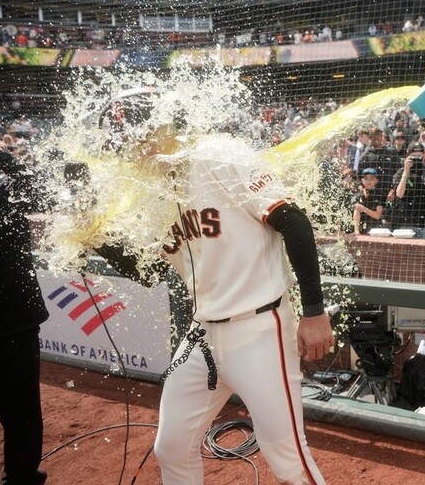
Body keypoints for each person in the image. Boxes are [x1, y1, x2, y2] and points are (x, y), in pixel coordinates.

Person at [91, 89, 334, 485]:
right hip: (201, 333)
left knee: (289, 460)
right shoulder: (152, 188)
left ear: (157, 127)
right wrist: (95, 239)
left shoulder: (218, 154)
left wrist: (314, 313)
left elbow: (294, 222)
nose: (127, 150)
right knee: (171, 447)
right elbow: (151, 272)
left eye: (129, 137)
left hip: (259, 328)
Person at [0, 139, 50, 485]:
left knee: (21, 416)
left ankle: (21, 477)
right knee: (22, 416)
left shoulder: (4, 175)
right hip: (14, 321)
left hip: (14, 320)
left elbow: (41, 196)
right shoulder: (4, 174)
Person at [391, 141, 425, 235]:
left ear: (423, 155)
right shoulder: (401, 172)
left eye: (419, 156)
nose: (416, 159)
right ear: (407, 156)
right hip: (405, 219)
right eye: (413, 156)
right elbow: (399, 194)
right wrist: (406, 172)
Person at [352, 167, 386, 235]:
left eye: (372, 178)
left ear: (376, 180)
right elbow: (356, 212)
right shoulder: (357, 195)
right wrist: (356, 231)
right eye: (366, 179)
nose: (369, 181)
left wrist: (363, 209)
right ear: (362, 181)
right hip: (361, 229)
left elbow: (377, 216)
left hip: (375, 229)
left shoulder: (380, 194)